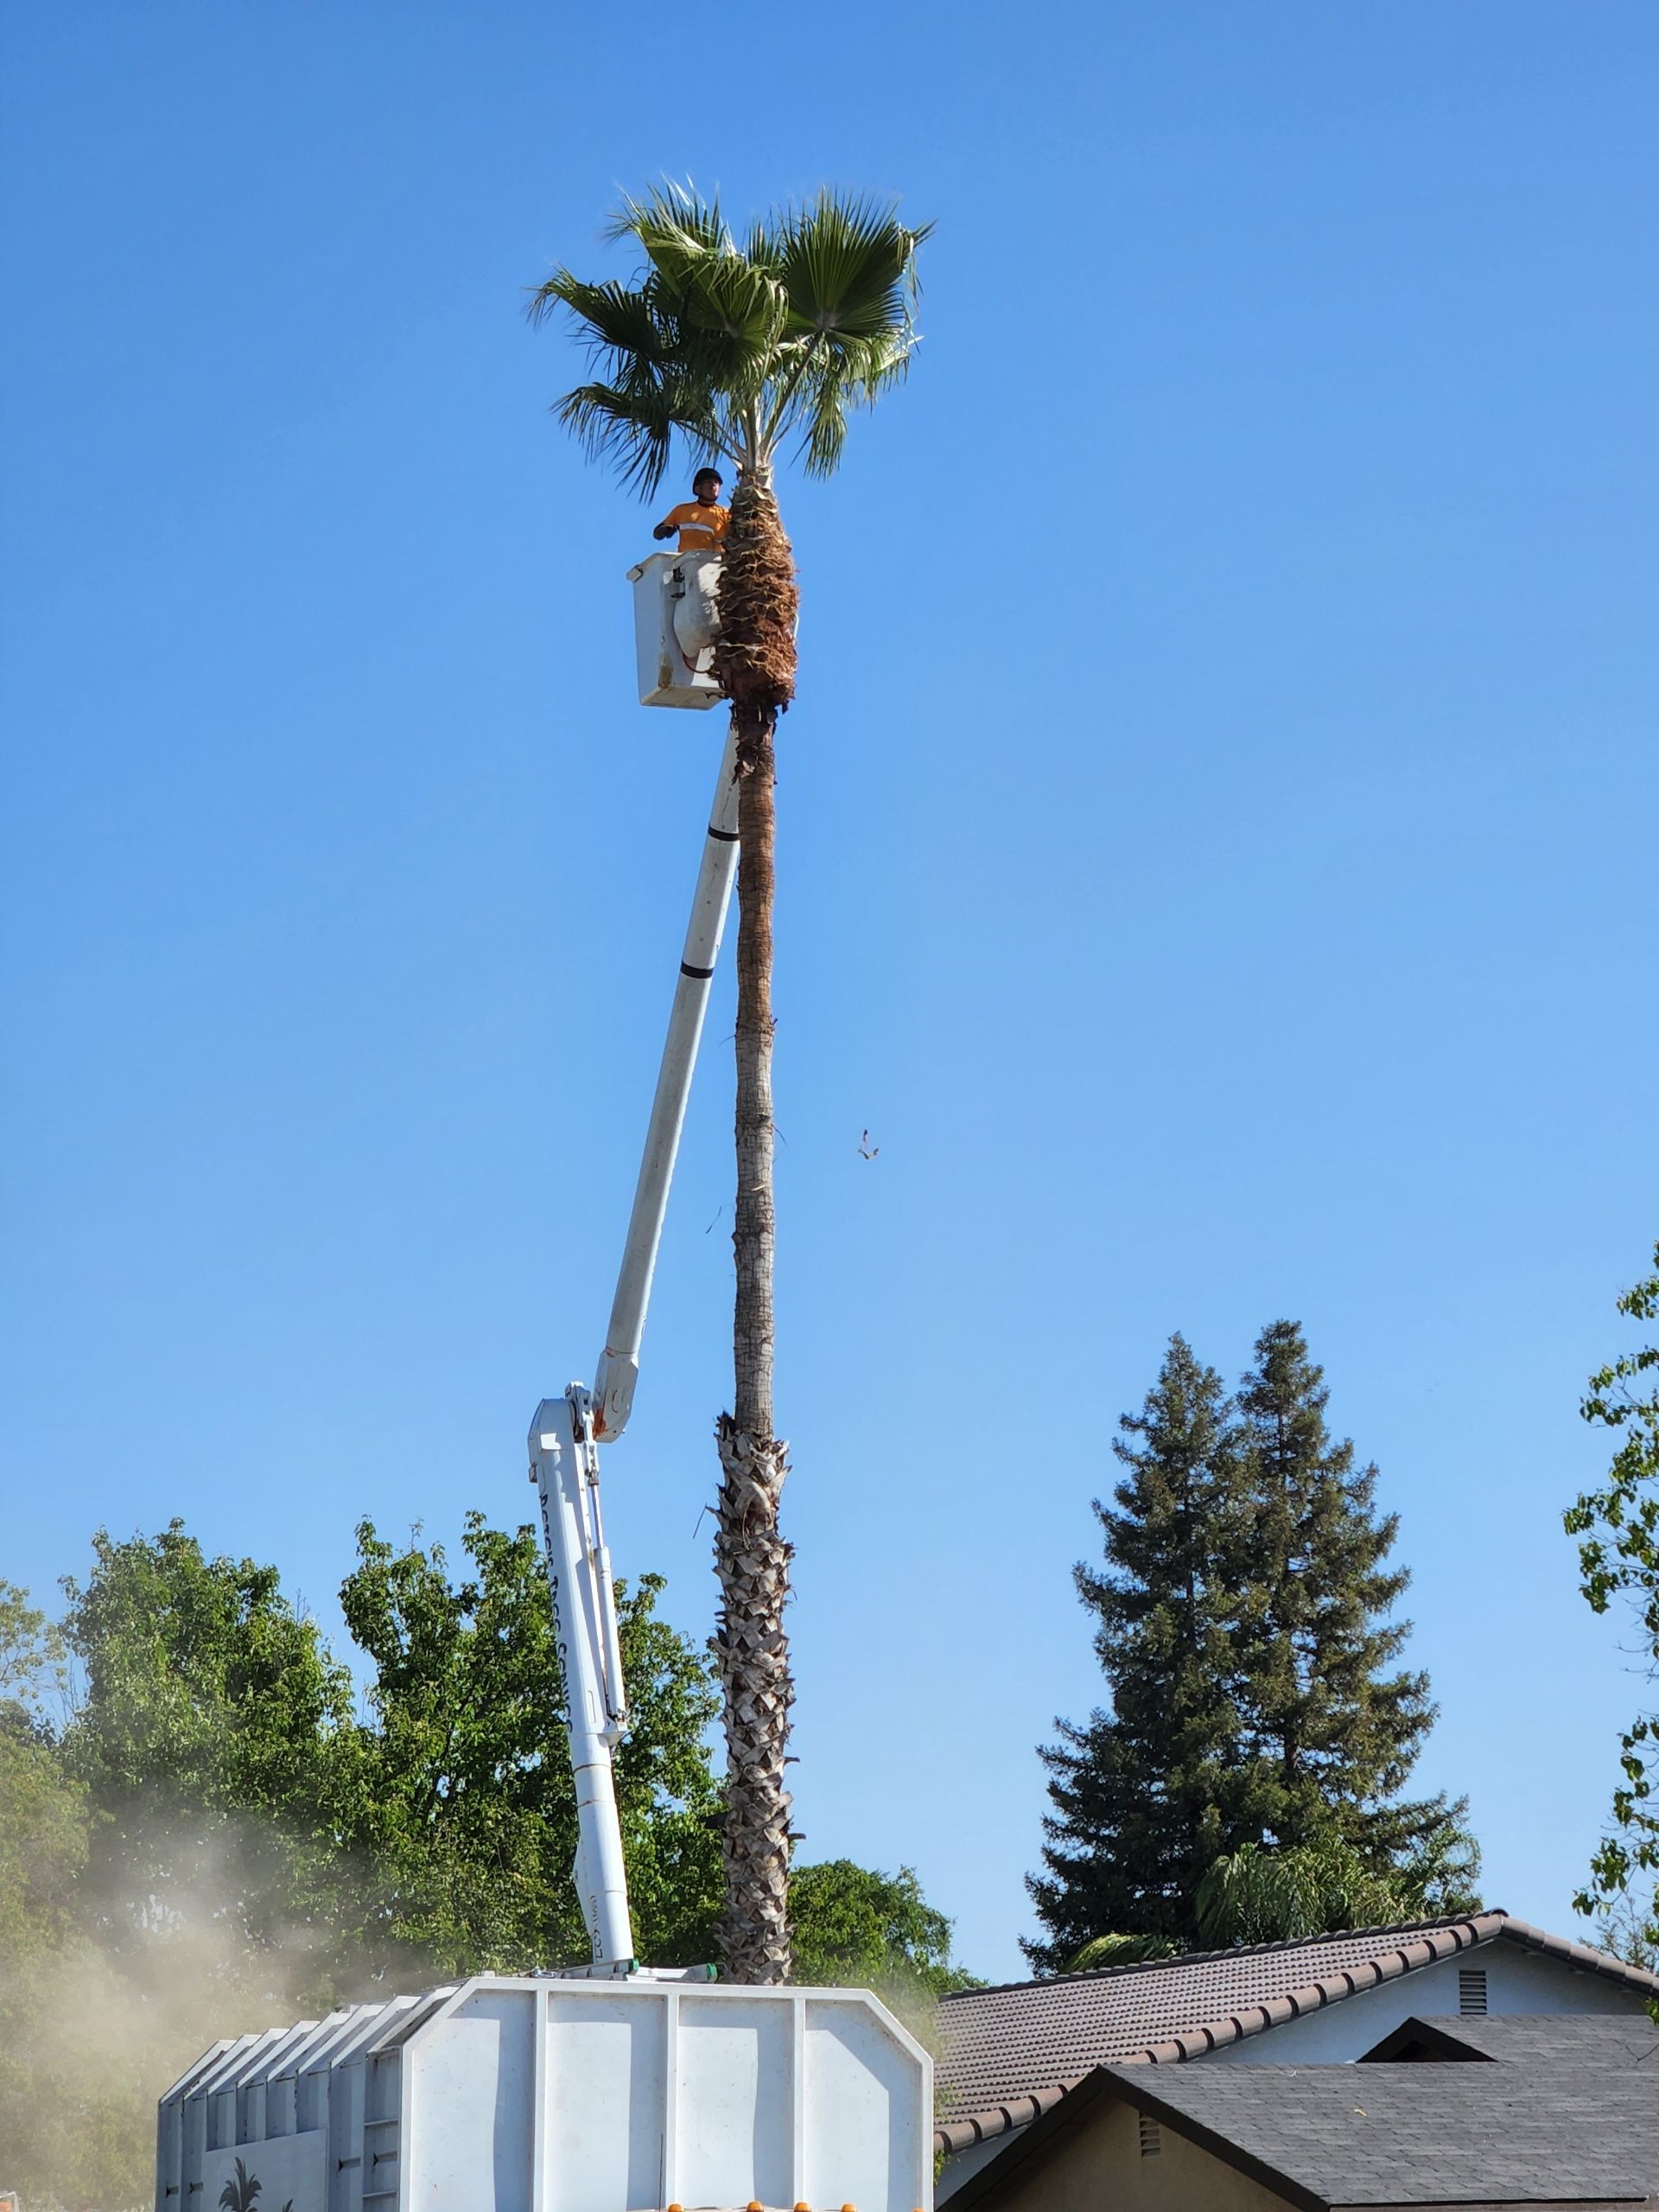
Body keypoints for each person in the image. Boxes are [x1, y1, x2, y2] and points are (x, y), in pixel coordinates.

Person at [653, 467, 729, 553]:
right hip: (687, 562)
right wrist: (666, 530)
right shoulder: (682, 510)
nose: (713, 485)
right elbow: (657, 534)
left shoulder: (725, 514)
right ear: (698, 488)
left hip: (713, 563)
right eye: (709, 482)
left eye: (716, 483)